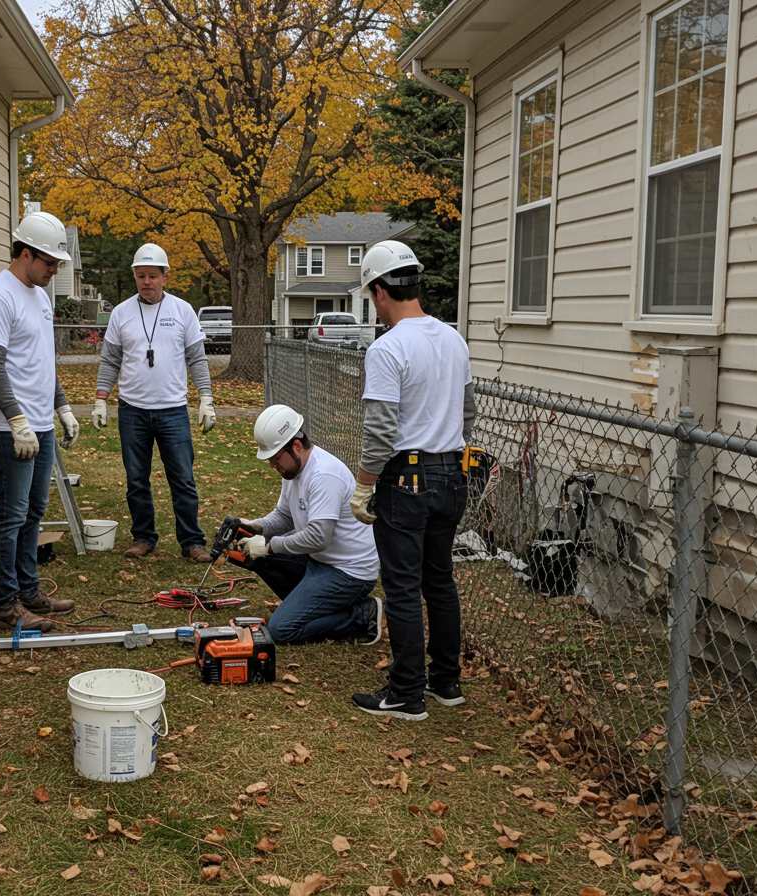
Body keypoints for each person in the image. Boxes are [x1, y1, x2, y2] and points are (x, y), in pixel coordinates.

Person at [348, 240, 475, 722]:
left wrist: (364, 485)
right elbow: (467, 412)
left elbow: (380, 431)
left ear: (381, 291)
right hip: (452, 473)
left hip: (407, 478)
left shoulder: (389, 347)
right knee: (438, 581)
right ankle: (446, 681)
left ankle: (405, 693)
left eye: (370, 296)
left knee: (401, 587)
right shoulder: (452, 339)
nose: (373, 307)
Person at [0, 211, 82, 633]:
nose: (55, 270)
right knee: (11, 514)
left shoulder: (39, 296)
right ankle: (5, 604)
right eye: (50, 263)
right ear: (25, 253)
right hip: (8, 428)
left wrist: (62, 407)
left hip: (38, 423)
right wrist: (16, 419)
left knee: (34, 509)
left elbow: (42, 362)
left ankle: (28, 589)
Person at [92, 243, 215, 562]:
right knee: (136, 480)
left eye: (153, 276)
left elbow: (197, 359)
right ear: (134, 276)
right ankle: (143, 537)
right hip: (132, 412)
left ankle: (192, 542)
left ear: (165, 277)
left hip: (173, 411)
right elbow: (110, 360)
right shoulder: (121, 313)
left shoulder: (182, 310)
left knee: (183, 479)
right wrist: (101, 400)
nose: (146, 281)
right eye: (141, 275)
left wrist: (206, 399)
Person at [233, 405, 383, 645]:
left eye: (275, 458)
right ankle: (310, 605)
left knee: (282, 629)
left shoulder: (324, 475)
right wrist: (254, 527)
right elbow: (284, 516)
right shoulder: (292, 470)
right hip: (321, 560)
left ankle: (362, 615)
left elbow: (318, 537)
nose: (273, 465)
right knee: (251, 555)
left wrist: (270, 546)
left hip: (348, 571)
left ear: (295, 446)